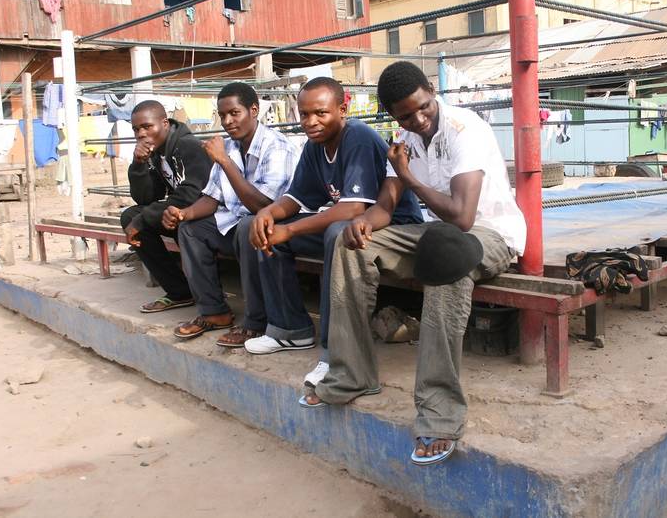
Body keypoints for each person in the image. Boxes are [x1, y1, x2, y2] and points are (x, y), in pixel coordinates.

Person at [307, 62, 527, 467]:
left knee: (445, 256)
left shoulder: (466, 129)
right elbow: (386, 207)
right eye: (405, 116)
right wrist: (362, 223)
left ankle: (440, 412)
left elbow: (462, 217)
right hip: (436, 234)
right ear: (393, 115)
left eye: (423, 108)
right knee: (347, 244)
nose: (418, 120)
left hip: (491, 234)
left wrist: (409, 176)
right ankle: (351, 373)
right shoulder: (405, 137)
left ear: (431, 89)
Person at [244, 77, 422, 391]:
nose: (311, 122)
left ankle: (333, 350)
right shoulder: (315, 146)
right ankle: (290, 328)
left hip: (393, 224)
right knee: (261, 227)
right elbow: (298, 197)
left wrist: (290, 229)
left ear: (342, 109)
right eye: (304, 114)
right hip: (355, 222)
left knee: (337, 233)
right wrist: (268, 214)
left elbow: (354, 209)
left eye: (321, 113)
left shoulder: (358, 137)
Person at [160, 83, 300, 341]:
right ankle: (214, 312)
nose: (227, 121)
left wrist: (224, 161)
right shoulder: (230, 146)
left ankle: (257, 320)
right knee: (191, 229)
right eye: (222, 115)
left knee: (250, 224)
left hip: (276, 226)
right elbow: (212, 198)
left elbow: (263, 207)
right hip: (239, 225)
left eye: (234, 113)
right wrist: (184, 213)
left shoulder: (276, 147)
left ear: (254, 110)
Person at [121, 100, 212, 313]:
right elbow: (145, 198)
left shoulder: (189, 146)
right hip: (179, 211)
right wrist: (138, 165)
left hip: (205, 212)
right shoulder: (156, 152)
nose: (141, 134)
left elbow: (193, 193)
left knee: (143, 220)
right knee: (130, 216)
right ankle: (179, 291)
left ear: (164, 123)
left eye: (147, 126)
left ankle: (206, 296)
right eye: (136, 129)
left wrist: (144, 219)